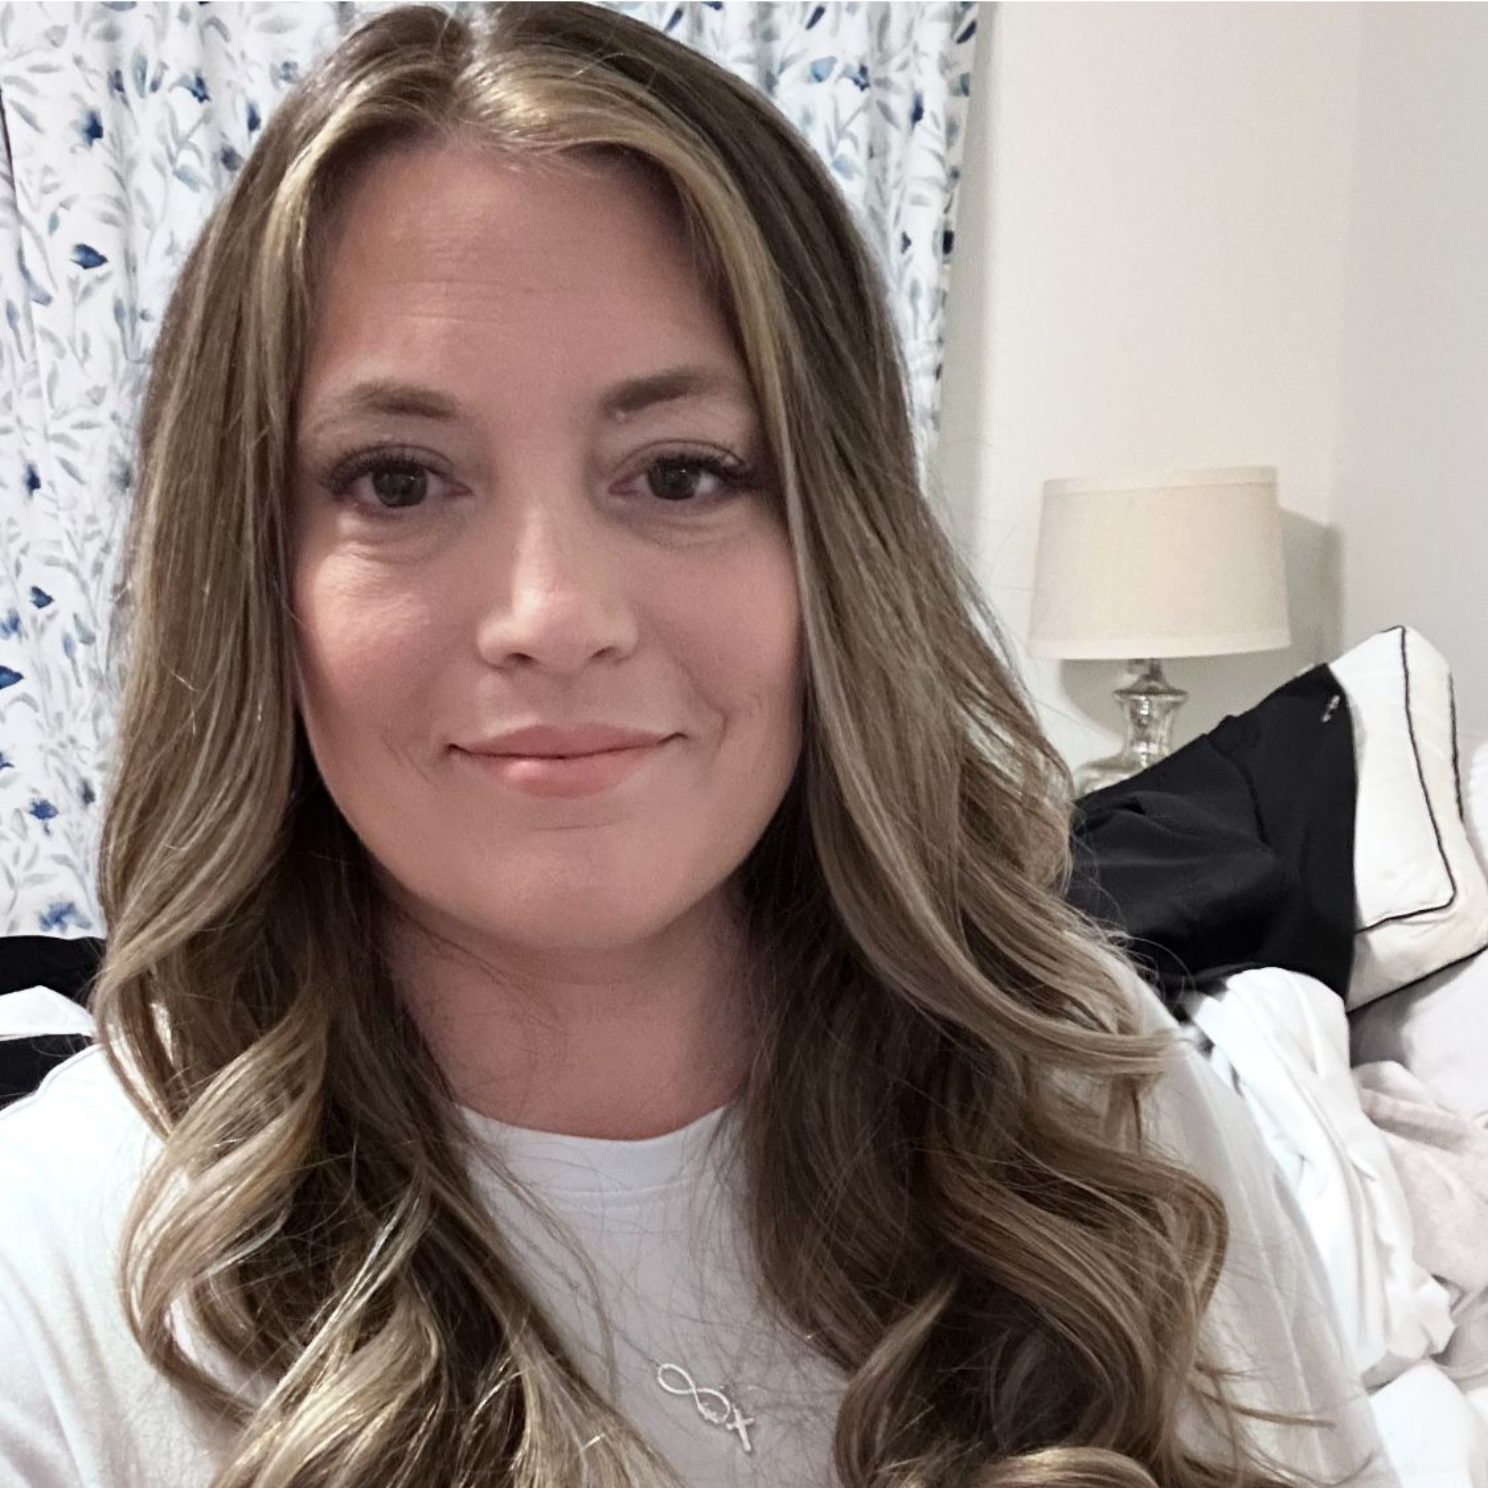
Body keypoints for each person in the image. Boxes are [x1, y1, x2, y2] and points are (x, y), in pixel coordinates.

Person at [0, 5, 1397, 1487]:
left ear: (832, 547)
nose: (553, 615)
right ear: (256, 574)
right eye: (398, 479)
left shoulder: (1100, 1099)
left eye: (681, 471)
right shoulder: (66, 1272)